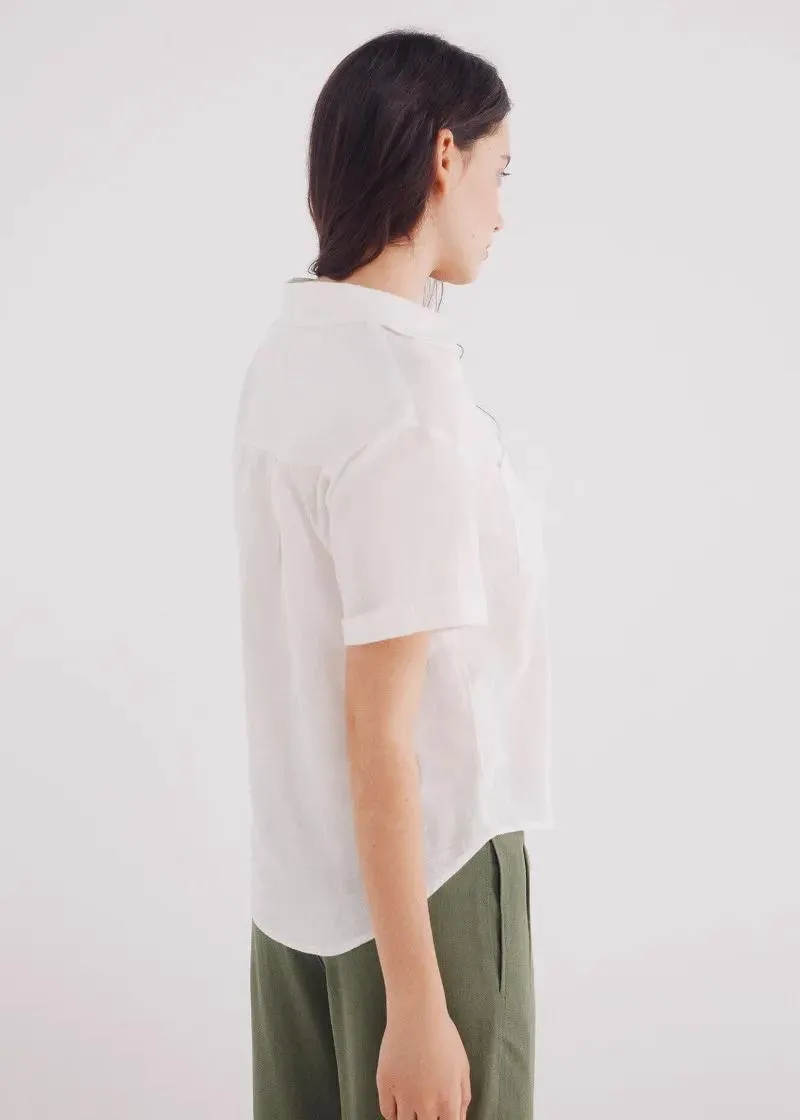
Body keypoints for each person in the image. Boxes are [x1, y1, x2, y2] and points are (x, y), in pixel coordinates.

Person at [232, 27, 554, 1120]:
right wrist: (418, 999)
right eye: (499, 171)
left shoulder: (287, 357)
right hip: (431, 885)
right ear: (442, 157)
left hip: (297, 893)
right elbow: (382, 728)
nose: (502, 211)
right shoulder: (405, 395)